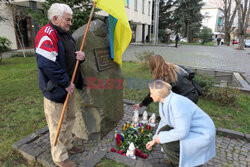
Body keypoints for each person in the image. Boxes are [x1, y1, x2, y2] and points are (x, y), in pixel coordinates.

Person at [35, 3, 85, 167]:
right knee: (57, 125)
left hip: (68, 88)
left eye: (71, 20)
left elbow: (69, 54)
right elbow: (47, 64)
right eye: (68, 20)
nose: (71, 23)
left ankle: (68, 145)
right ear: (55, 18)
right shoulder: (47, 34)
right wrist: (65, 83)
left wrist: (80, 57)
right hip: (56, 89)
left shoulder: (64, 33)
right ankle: (60, 157)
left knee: (69, 118)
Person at [146, 80, 216, 167]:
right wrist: (154, 140)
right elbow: (164, 121)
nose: (150, 95)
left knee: (169, 145)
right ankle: (173, 160)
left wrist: (162, 137)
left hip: (202, 133)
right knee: (162, 133)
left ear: (159, 93)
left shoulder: (177, 103)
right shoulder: (164, 102)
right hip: (189, 128)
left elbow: (182, 132)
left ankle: (183, 164)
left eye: (151, 92)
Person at [133, 55, 199, 110]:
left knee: (178, 119)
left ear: (153, 67)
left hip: (183, 100)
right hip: (194, 94)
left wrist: (141, 104)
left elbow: (152, 95)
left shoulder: (161, 78)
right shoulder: (175, 66)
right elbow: (191, 73)